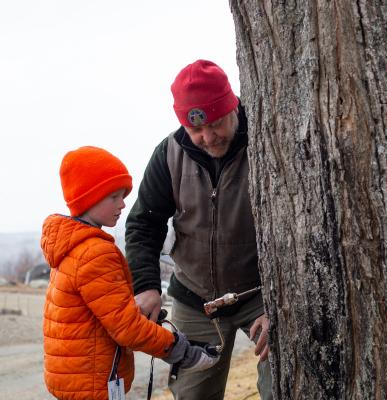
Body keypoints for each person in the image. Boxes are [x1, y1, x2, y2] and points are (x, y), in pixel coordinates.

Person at [125, 60, 272, 399]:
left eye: (216, 123)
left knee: (284, 383)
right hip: (195, 300)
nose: (208, 137)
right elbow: (143, 223)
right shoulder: (168, 154)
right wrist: (146, 285)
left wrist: (280, 303)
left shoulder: (267, 140)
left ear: (232, 105)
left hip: (261, 294)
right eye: (196, 130)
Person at [41, 146, 219, 400]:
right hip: (94, 383)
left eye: (123, 195)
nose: (124, 203)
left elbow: (105, 313)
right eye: (114, 196)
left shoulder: (71, 247)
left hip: (76, 378)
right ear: (89, 199)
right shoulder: (94, 253)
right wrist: (181, 351)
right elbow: (126, 328)